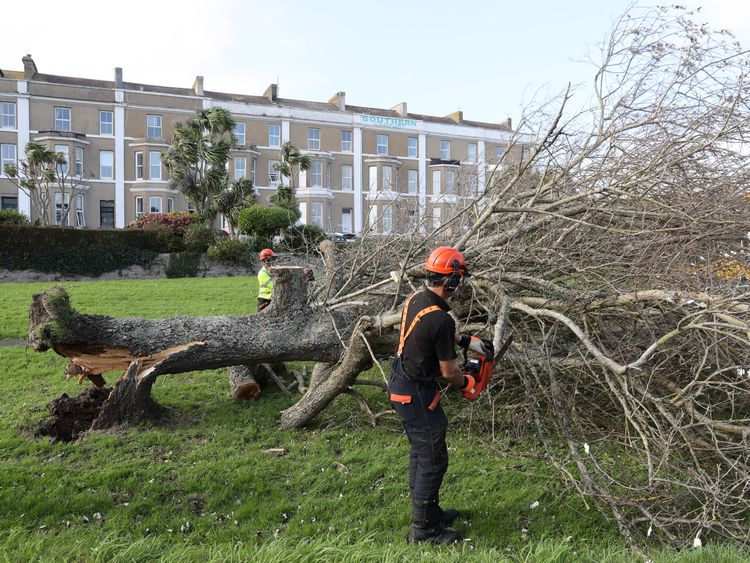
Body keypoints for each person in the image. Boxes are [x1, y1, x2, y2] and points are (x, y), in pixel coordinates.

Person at [389, 246, 493, 545]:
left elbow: (424, 330)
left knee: (421, 454)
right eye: (457, 281)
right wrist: (468, 382)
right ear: (451, 282)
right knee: (434, 460)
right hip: (416, 393)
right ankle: (423, 531)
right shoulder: (441, 319)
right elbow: (449, 373)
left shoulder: (416, 299)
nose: (458, 286)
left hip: (402, 382)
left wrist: (465, 341)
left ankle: (428, 513)